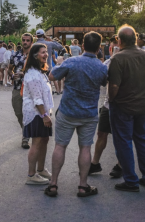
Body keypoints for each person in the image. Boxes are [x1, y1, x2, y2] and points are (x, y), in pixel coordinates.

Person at [45, 31, 108, 198]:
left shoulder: (71, 61)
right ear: (99, 48)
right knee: (85, 147)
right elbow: (104, 82)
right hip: (89, 113)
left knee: (60, 146)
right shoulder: (102, 67)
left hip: (68, 111)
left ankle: (53, 184)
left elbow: (51, 76)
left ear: (82, 46)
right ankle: (82, 185)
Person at [107, 25, 145, 192]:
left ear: (119, 41)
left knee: (124, 142)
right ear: (135, 39)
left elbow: (114, 86)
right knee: (142, 139)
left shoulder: (118, 58)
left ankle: (130, 180)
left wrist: (111, 100)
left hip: (123, 105)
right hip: (142, 104)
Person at [89, 43, 122, 179]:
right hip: (108, 104)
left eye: (119, 47)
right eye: (114, 48)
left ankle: (121, 165)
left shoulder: (130, 60)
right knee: (101, 133)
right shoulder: (108, 62)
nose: (116, 50)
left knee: (121, 136)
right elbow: (100, 80)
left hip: (124, 105)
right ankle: (95, 163)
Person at [22, 43, 54, 185]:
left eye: (46, 52)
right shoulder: (33, 74)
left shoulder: (40, 72)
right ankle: (31, 175)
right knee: (36, 142)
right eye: (42, 52)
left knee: (44, 139)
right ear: (35, 56)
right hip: (36, 114)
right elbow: (37, 98)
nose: (46, 54)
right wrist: (44, 115)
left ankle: (41, 169)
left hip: (42, 112)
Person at [11, 33, 34, 149]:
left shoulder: (35, 55)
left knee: (28, 113)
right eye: (24, 40)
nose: (25, 42)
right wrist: (12, 75)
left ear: (31, 42)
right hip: (17, 87)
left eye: (28, 40)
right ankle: (27, 131)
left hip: (31, 89)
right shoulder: (15, 55)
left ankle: (25, 138)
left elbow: (41, 70)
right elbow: (10, 69)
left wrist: (24, 73)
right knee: (18, 112)